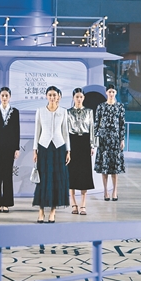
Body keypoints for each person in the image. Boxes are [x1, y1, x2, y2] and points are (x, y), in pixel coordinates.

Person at [32, 86, 70, 223]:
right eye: (50, 95)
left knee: (56, 179)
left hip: (59, 147)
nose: (52, 97)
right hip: (44, 147)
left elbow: (65, 132)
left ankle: (53, 211)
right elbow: (37, 131)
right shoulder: (40, 111)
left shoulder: (63, 111)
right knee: (43, 179)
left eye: (54, 95)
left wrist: (68, 150)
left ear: (58, 96)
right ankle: (41, 211)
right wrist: (35, 150)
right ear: (46, 96)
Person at [0, 87, 20, 213]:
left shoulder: (15, 112)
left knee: (7, 175)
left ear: (10, 97)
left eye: (6, 95)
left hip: (9, 147)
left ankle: (6, 203)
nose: (4, 98)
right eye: (2, 95)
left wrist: (16, 148)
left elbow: (17, 130)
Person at [95, 84, 126, 201]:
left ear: (116, 93)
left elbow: (122, 124)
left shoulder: (120, 107)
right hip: (103, 140)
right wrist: (95, 139)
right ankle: (105, 191)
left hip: (115, 140)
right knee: (104, 167)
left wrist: (122, 139)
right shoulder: (101, 106)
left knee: (114, 167)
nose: (111, 94)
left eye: (113, 92)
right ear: (106, 93)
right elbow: (96, 123)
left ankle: (115, 191)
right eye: (109, 91)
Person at [67, 88, 95, 215]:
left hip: (84, 142)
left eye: (81, 97)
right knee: (71, 173)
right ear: (73, 98)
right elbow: (65, 130)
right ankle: (73, 204)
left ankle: (83, 205)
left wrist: (92, 145)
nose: (79, 99)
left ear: (83, 98)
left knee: (84, 173)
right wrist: (67, 148)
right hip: (72, 141)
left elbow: (92, 128)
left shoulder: (89, 111)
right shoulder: (68, 112)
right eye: (77, 97)